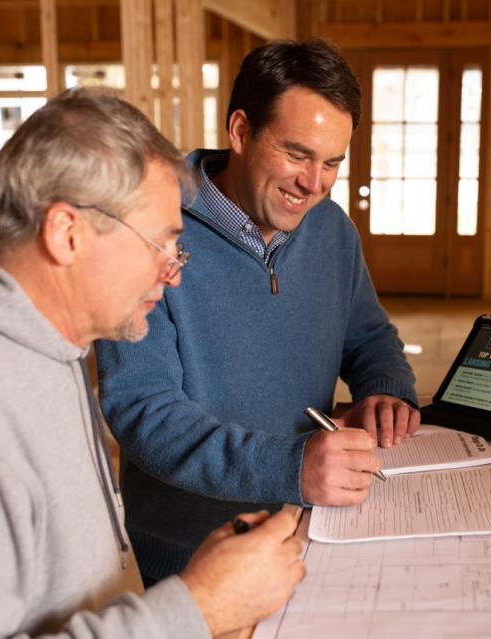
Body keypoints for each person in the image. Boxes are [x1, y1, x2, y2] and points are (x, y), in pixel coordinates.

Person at [0, 88, 304, 637]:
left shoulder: (45, 340)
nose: (175, 273)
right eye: (162, 245)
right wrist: (196, 609)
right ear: (66, 233)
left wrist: (204, 602)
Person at [95, 38, 420, 584]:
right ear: (240, 131)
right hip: (194, 562)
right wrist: (289, 467)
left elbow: (368, 337)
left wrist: (385, 387)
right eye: (296, 154)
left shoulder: (332, 228)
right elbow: (142, 411)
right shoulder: (149, 230)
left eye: (331, 163)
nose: (313, 185)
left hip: (313, 532)